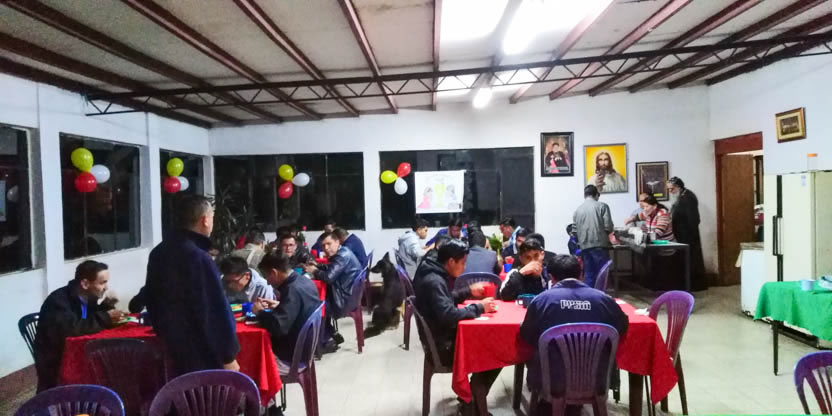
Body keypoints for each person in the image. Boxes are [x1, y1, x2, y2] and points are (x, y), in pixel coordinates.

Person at [519, 255, 628, 414]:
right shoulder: (604, 300)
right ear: (581, 275)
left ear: (551, 278)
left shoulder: (541, 301)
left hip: (552, 380)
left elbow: (526, 336)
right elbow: (622, 327)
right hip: (598, 379)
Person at [145, 195, 241, 376]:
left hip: (169, 349)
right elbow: (213, 309)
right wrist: (227, 355)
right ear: (205, 220)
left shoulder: (158, 252)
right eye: (212, 217)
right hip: (202, 353)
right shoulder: (198, 257)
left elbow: (151, 299)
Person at [412, 239, 498, 416]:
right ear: (451, 261)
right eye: (463, 263)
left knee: (492, 346)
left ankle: (472, 398)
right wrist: (479, 307)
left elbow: (445, 301)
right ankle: (473, 399)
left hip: (442, 338)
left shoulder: (434, 272)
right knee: (496, 350)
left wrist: (468, 292)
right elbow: (448, 315)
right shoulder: (434, 281)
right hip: (444, 347)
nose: (465, 267)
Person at [34, 260, 127, 392]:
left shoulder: (87, 297)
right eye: (102, 283)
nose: (106, 287)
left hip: (77, 351)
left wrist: (106, 305)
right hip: (55, 360)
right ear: (85, 284)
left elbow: (89, 320)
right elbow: (73, 329)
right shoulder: (58, 301)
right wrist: (106, 317)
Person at [254, 250, 323, 364]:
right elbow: (299, 308)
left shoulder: (291, 290)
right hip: (307, 346)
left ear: (274, 272)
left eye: (267, 277)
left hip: (292, 354)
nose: (268, 283)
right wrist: (279, 305)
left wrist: (260, 313)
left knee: (251, 357)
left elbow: (278, 327)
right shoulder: (303, 280)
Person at [305, 231, 362, 353]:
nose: (326, 248)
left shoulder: (342, 256)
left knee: (313, 306)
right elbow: (333, 268)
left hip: (343, 301)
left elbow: (328, 277)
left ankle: (323, 342)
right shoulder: (344, 252)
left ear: (337, 242)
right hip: (349, 296)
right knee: (316, 301)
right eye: (323, 245)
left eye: (329, 244)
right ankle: (330, 333)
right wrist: (318, 266)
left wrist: (314, 271)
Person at [667, 176, 707, 291]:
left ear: (678, 187)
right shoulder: (681, 196)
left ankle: (693, 286)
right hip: (681, 234)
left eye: (672, 189)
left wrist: (687, 234)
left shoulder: (688, 197)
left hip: (688, 235)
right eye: (668, 189)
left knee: (691, 261)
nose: (670, 192)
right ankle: (685, 285)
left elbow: (693, 220)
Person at [574, 185, 614, 288]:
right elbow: (608, 226)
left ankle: (589, 294)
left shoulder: (578, 210)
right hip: (599, 245)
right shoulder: (602, 206)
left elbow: (574, 231)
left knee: (589, 273)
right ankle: (601, 294)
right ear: (596, 195)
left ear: (585, 195)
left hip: (584, 247)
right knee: (602, 273)